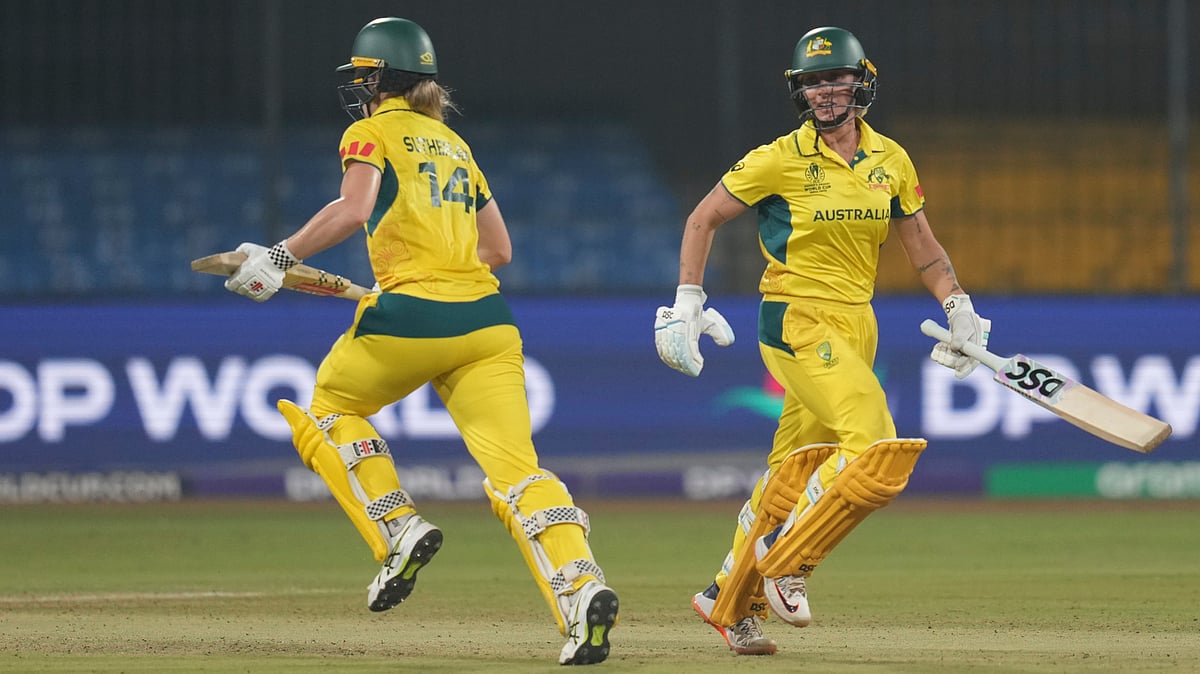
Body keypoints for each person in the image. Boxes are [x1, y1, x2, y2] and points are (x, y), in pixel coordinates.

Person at [223, 17, 618, 666]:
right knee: (520, 473)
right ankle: (581, 590)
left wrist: (278, 255)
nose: (358, 88)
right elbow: (499, 249)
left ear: (380, 79)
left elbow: (352, 210)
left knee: (328, 407)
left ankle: (397, 526)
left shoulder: (369, 131)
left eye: (363, 76)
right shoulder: (454, 144)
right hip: (489, 324)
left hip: (410, 315)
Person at [654, 26, 988, 655]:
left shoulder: (892, 160)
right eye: (812, 82)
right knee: (874, 447)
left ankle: (728, 598)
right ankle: (789, 560)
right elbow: (703, 218)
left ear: (862, 82)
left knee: (790, 471)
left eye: (836, 79)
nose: (825, 92)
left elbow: (920, 243)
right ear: (799, 91)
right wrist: (688, 300)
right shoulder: (778, 157)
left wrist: (958, 306)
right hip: (795, 317)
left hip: (857, 322)